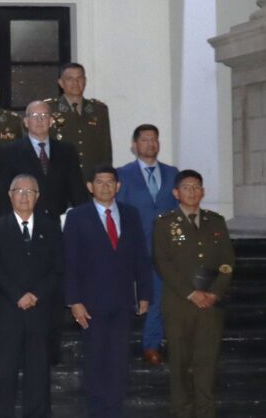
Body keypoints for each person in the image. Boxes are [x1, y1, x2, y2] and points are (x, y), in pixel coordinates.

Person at [64, 164, 152, 418]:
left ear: (118, 186)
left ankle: (114, 412)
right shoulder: (77, 216)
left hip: (124, 302)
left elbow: (141, 257)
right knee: (95, 362)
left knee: (118, 363)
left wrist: (145, 293)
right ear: (90, 187)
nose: (105, 186)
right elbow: (70, 261)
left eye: (110, 182)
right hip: (90, 304)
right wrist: (74, 301)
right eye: (99, 182)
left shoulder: (131, 214)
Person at [153, 170, 234, 418]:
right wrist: (191, 293)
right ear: (176, 193)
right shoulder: (165, 223)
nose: (192, 191)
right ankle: (181, 413)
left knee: (206, 366)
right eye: (186, 187)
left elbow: (227, 263)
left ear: (203, 192)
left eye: (197, 187)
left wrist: (215, 293)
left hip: (210, 307)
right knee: (179, 365)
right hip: (179, 305)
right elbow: (162, 263)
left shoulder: (216, 221)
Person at [0, 174, 63, 418]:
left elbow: (58, 268)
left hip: (40, 314)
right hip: (7, 314)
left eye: (30, 192)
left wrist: (36, 294)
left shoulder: (51, 228)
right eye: (19, 191)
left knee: (39, 377)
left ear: (37, 197)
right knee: (3, 376)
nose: (24, 196)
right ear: (10, 195)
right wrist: (18, 294)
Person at [116, 124, 179, 366]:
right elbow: (118, 211)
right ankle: (119, 346)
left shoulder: (173, 173)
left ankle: (151, 345)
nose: (150, 144)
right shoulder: (122, 174)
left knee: (158, 297)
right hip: (133, 246)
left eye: (154, 139)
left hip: (164, 248)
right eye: (145, 140)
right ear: (134, 145)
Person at [0, 100, 88, 221]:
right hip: (24, 220)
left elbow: (77, 190)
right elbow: (3, 193)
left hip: (58, 220)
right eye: (34, 116)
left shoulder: (67, 151)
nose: (40, 120)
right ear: (26, 122)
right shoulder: (9, 152)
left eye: (44, 116)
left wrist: (85, 218)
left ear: (51, 121)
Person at [46, 62, 112, 178]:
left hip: (91, 179)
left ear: (85, 81)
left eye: (79, 78)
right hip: (61, 178)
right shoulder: (50, 109)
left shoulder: (99, 110)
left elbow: (105, 149)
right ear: (61, 83)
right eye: (70, 79)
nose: (75, 83)